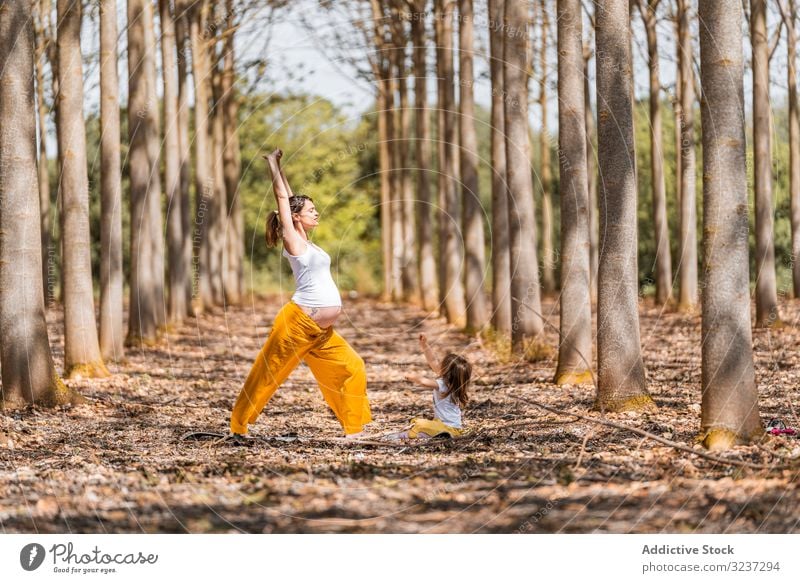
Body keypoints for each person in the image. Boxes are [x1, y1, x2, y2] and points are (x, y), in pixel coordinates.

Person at [229, 148, 371, 440]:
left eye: (314, 208)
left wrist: (282, 168)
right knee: (267, 376)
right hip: (296, 325)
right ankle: (238, 426)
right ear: (295, 217)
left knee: (353, 366)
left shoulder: (308, 241)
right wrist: (272, 164)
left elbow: (290, 198)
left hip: (320, 332)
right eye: (310, 210)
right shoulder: (292, 240)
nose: (316, 212)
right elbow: (284, 199)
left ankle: (355, 430)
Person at [392, 334, 472, 439]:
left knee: (420, 425)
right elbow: (433, 361)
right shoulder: (453, 383)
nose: (439, 365)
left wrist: (412, 377)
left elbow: (424, 382)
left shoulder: (444, 384)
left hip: (447, 427)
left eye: (442, 364)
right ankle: (431, 435)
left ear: (447, 370)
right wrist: (425, 345)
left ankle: (402, 437)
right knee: (424, 427)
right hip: (452, 427)